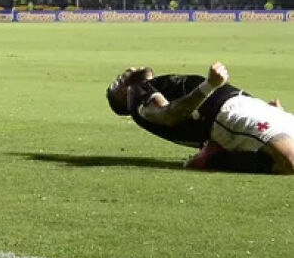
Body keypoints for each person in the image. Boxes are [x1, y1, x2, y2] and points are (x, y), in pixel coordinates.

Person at [106, 62, 294, 174]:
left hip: (248, 107)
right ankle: (216, 158)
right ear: (123, 96)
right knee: (290, 162)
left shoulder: (155, 86)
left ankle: (217, 153)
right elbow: (168, 115)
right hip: (227, 115)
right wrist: (209, 85)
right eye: (117, 83)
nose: (127, 70)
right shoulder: (136, 93)